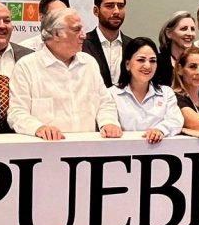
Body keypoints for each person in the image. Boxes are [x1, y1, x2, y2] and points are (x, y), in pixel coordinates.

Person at [8, 8, 122, 140]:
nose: (84, 35)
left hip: (87, 147)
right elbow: (16, 113)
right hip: (46, 147)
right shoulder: (27, 66)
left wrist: (108, 122)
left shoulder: (89, 63)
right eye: (77, 29)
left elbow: (105, 102)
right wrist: (38, 128)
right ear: (56, 34)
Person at [108, 37, 182, 142]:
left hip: (158, 149)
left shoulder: (166, 92)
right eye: (141, 60)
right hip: (123, 150)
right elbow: (108, 119)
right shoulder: (112, 93)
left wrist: (160, 130)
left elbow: (176, 120)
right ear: (127, 64)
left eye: (152, 61)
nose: (147, 66)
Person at [83, 0, 130, 88]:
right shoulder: (82, 44)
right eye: (109, 6)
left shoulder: (132, 46)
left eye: (120, 6)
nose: (116, 11)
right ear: (96, 11)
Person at [156, 11, 197, 87]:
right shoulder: (157, 62)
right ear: (169, 33)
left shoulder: (198, 62)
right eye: (184, 29)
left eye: (192, 29)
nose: (189, 33)